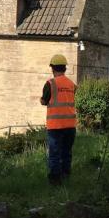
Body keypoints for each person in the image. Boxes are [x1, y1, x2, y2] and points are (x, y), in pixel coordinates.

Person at [39, 54, 77, 185]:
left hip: (55, 126)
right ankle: (66, 176)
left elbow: (44, 101)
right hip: (71, 125)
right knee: (66, 152)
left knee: (54, 154)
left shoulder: (50, 84)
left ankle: (55, 180)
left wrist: (41, 100)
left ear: (52, 68)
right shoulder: (72, 84)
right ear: (65, 68)